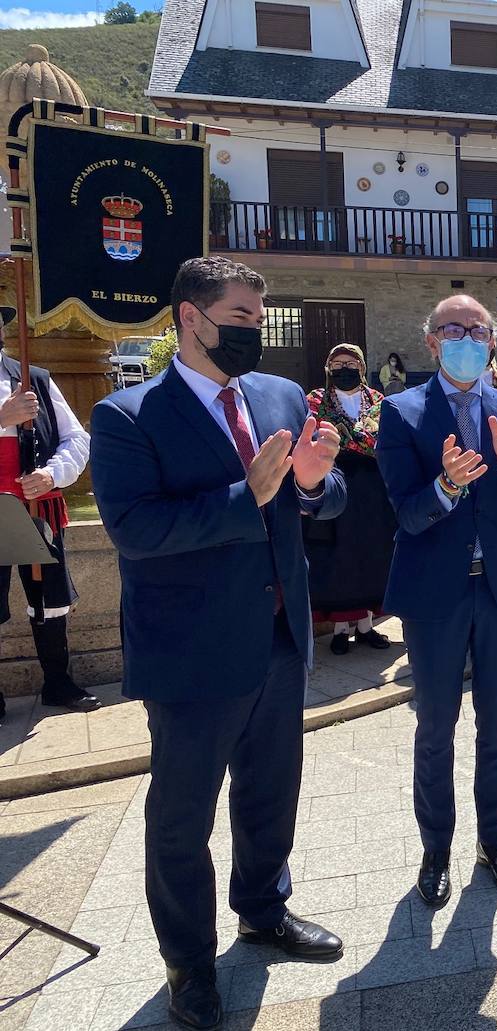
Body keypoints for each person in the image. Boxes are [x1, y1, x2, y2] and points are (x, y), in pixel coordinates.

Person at [90, 257, 348, 1031]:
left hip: (277, 635)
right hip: (192, 654)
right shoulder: (129, 416)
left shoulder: (274, 395)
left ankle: (263, 910)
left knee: (270, 794)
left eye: (258, 320)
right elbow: (136, 531)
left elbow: (322, 493)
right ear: (190, 320)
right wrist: (253, 494)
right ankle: (190, 966)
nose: (253, 333)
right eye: (240, 319)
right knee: (181, 820)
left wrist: (309, 480)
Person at [376, 295, 497, 907]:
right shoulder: (400, 413)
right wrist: (448, 484)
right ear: (431, 341)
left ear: (492, 342)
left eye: (478, 330)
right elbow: (404, 512)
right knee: (435, 727)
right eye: (454, 329)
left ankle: (495, 842)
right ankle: (436, 849)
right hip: (436, 596)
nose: (467, 339)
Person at [0, 306, 100, 720]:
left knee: (49, 596)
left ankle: (58, 682)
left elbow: (77, 438)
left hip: (33, 503)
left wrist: (51, 474)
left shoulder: (32, 377)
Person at [304, 343, 396, 656]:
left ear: (361, 366)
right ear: (329, 367)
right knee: (338, 556)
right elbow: (317, 435)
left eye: (351, 362)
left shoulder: (378, 400)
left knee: (372, 551)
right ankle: (342, 629)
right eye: (338, 363)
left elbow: (382, 437)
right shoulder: (316, 399)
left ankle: (367, 625)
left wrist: (349, 439)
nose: (345, 368)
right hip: (334, 480)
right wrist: (355, 439)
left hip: (372, 486)